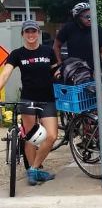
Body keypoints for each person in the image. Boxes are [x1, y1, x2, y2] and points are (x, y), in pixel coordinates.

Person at [0, 20, 60, 185]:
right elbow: (5, 74)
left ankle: (34, 168)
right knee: (31, 138)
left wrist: (66, 76)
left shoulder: (48, 51)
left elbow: (56, 73)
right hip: (28, 99)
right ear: (23, 35)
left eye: (34, 31)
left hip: (47, 99)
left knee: (52, 136)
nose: (31, 34)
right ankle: (33, 173)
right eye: (28, 32)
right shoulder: (17, 54)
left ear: (38, 33)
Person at [53, 1, 102, 71]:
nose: (89, 19)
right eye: (87, 17)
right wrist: (59, 62)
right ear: (77, 17)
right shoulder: (68, 28)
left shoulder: (97, 29)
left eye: (91, 16)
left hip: (95, 70)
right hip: (75, 69)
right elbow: (56, 45)